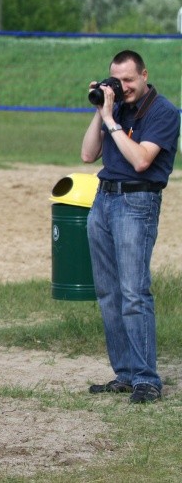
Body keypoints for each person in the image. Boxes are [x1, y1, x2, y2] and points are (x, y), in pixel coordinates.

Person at [81, 50, 179, 404]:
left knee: (134, 293)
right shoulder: (115, 108)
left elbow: (141, 160)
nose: (123, 87)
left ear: (144, 75)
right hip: (103, 200)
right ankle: (124, 373)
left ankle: (146, 379)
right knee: (109, 293)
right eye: (116, 81)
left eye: (128, 81)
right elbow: (88, 155)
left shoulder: (163, 112)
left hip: (137, 203)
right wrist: (100, 111)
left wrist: (112, 120)